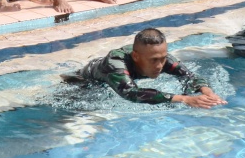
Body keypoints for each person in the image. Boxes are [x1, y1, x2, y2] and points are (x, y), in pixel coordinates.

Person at [69, 28, 225, 107]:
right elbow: (131, 93)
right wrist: (184, 99)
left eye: (163, 59)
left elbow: (189, 76)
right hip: (83, 83)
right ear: (136, 56)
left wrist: (207, 92)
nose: (159, 66)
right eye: (154, 60)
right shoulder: (115, 62)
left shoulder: (162, 58)